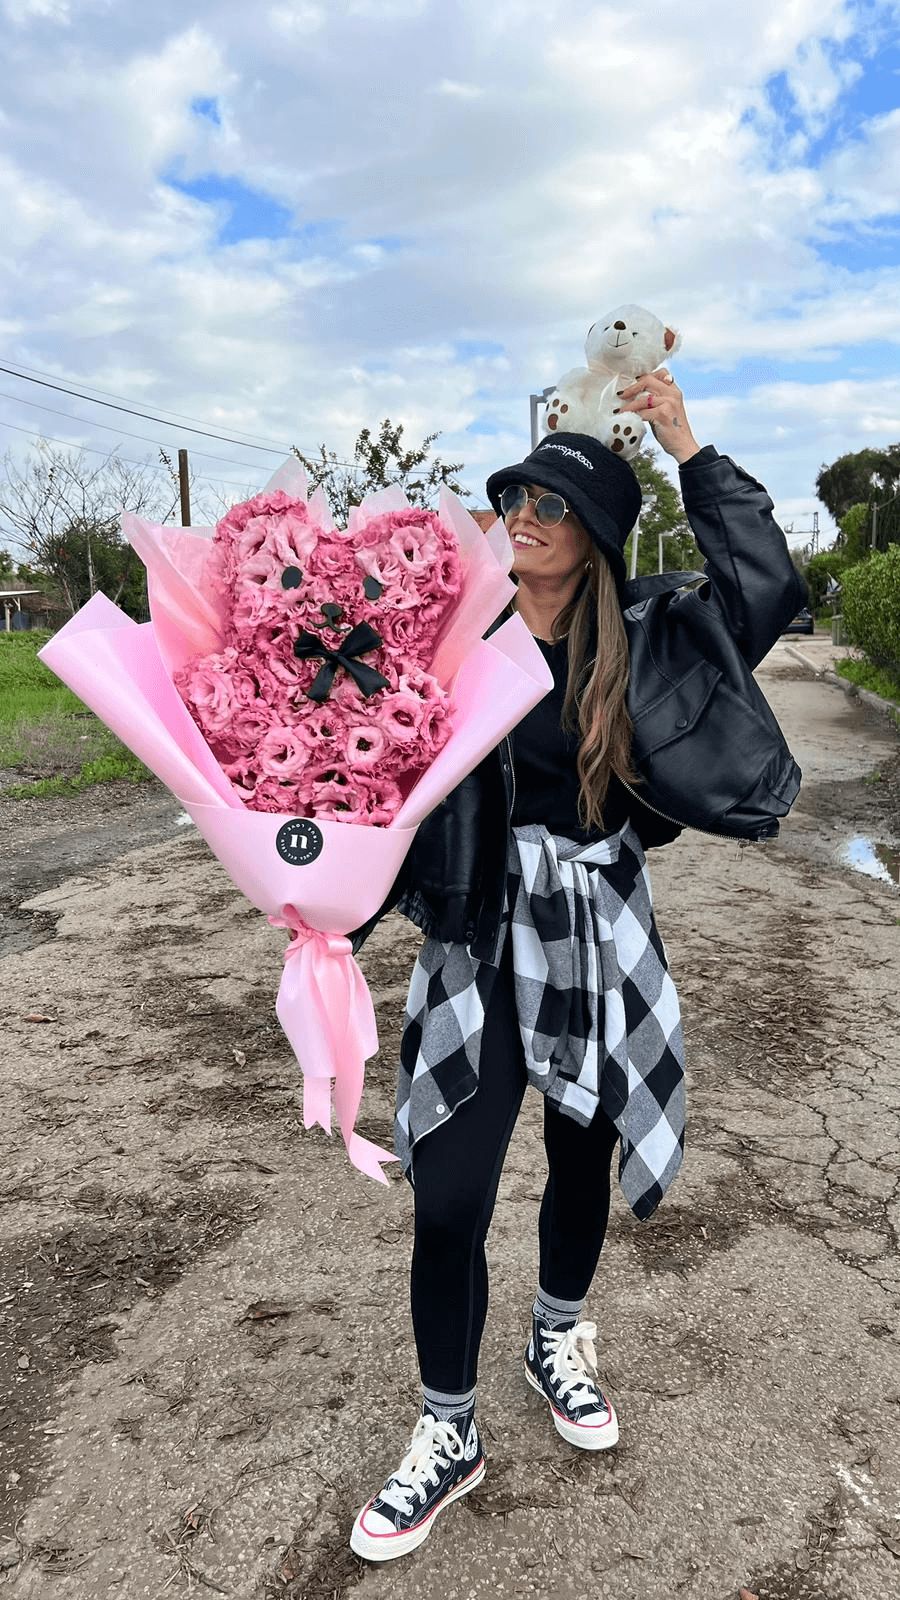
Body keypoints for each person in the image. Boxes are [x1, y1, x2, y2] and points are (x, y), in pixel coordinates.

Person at [347, 369, 804, 1562]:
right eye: (515, 497)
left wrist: (686, 445)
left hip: (597, 926)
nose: (524, 515)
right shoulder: (457, 635)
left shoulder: (651, 635)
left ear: (595, 528)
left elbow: (766, 587)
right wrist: (323, 891)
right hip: (479, 932)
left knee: (579, 1151)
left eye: (550, 502)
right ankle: (449, 1427)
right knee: (449, 1194)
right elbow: (364, 748)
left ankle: (557, 1332)